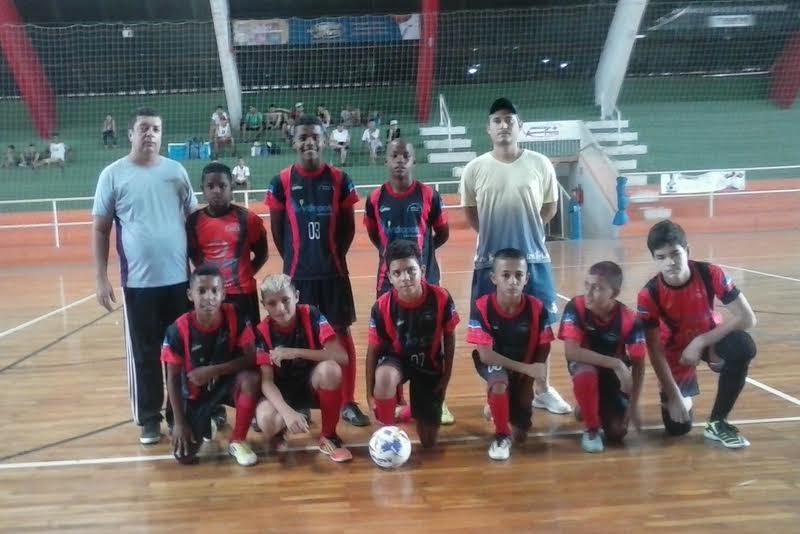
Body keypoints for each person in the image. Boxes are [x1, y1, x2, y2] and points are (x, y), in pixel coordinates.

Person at [459, 97, 571, 416]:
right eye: (497, 120)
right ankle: (496, 389)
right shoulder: (474, 169)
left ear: (519, 126)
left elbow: (549, 207)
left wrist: (528, 230)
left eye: (509, 120)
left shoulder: (540, 164)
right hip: (489, 262)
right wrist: (495, 238)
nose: (503, 125)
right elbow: (471, 213)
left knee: (542, 326)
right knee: (492, 328)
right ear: (488, 129)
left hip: (533, 260)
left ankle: (542, 389)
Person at [92, 107, 197, 444]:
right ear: (130, 134)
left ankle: (182, 414)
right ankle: (149, 418)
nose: (150, 133)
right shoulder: (113, 175)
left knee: (182, 352)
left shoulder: (176, 171)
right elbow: (101, 229)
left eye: (155, 129)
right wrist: (101, 277)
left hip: (179, 282)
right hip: (138, 285)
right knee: (145, 354)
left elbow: (194, 220)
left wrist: (200, 272)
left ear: (161, 135)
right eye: (143, 128)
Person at [264, 114, 369, 427]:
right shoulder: (281, 182)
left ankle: (348, 402)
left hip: (333, 274)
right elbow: (279, 232)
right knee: (304, 338)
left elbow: (348, 229)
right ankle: (303, 399)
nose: (309, 142)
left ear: (324, 140)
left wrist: (329, 256)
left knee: (340, 335)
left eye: (314, 136)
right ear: (293, 142)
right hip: (298, 277)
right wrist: (299, 260)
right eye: (302, 137)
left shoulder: (340, 179)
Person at [638, 220, 757, 448]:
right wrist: (673, 395)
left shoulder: (710, 273)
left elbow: (747, 318)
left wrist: (700, 341)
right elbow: (654, 350)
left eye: (675, 254)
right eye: (661, 257)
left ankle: (718, 422)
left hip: (710, 340)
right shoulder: (649, 294)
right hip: (675, 352)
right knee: (678, 428)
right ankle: (678, 393)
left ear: (688, 250)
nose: (670, 262)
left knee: (742, 346)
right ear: (654, 259)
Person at [363, 138, 453, 424]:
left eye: (405, 155)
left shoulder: (429, 195)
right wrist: (393, 263)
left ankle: (438, 398)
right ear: (386, 160)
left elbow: (442, 233)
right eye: (394, 155)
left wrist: (421, 258)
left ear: (414, 160)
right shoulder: (375, 198)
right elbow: (375, 236)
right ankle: (396, 399)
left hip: (424, 278)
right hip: (387, 280)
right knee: (392, 339)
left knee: (433, 339)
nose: (400, 160)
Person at [161, 264, 261, 466]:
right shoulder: (177, 330)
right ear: (190, 295)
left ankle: (238, 440)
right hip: (195, 393)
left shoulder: (235, 315)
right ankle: (208, 421)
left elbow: (252, 358)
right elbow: (172, 379)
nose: (209, 297)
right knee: (184, 456)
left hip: (226, 383)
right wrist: (179, 423)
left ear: (223, 294)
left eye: (215, 291)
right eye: (202, 291)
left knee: (252, 379)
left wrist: (213, 371)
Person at [366, 240, 459, 450]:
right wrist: (369, 394)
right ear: (390, 277)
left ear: (422, 271)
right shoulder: (381, 306)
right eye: (397, 273)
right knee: (384, 376)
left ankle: (409, 411)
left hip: (429, 364)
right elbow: (373, 351)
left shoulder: (442, 297)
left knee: (428, 442)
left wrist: (445, 378)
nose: (405, 277)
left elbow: (450, 338)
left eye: (411, 270)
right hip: (396, 360)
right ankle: (387, 436)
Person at [254, 274, 353, 462]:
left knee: (331, 370)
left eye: (285, 300)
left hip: (311, 384)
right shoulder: (262, 331)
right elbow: (267, 382)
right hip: (282, 392)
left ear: (297, 296)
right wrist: (286, 412)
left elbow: (341, 357)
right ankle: (280, 430)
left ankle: (329, 434)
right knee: (266, 421)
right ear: (263, 305)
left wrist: (294, 352)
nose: (280, 308)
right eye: (272, 303)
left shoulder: (311, 314)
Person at [467, 248, 553, 460]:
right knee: (499, 383)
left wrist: (533, 373)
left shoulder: (537, 308)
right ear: (494, 278)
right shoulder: (481, 307)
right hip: (494, 361)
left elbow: (544, 345)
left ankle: (496, 405)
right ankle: (501, 436)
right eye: (505, 275)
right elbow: (486, 355)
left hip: (524, 364)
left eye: (518, 275)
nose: (512, 281)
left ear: (527, 279)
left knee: (521, 434)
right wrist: (527, 369)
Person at [559, 261, 646, 453]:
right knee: (586, 373)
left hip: (611, 376)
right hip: (585, 367)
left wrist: (634, 405)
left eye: (597, 288)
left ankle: (588, 403)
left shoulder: (630, 319)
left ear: (614, 293)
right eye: (587, 285)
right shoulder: (576, 306)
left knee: (617, 433)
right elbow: (571, 351)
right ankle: (591, 429)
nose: (589, 293)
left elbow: (639, 364)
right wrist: (617, 364)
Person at [187, 162, 267, 325]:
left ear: (232, 188)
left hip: (243, 294)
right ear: (203, 189)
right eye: (210, 186)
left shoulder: (248, 219)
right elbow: (194, 255)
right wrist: (210, 280)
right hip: (209, 295)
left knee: (248, 339)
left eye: (222, 186)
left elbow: (262, 254)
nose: (216, 191)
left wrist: (244, 275)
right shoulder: (193, 222)